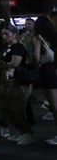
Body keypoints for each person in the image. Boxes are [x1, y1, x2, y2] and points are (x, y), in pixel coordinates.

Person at [0, 25, 38, 145]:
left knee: (17, 108)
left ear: (14, 34)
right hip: (7, 81)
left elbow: (14, 63)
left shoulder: (18, 47)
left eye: (7, 34)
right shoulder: (7, 47)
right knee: (7, 108)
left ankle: (28, 134)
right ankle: (22, 132)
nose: (4, 36)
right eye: (3, 34)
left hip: (18, 81)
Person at [31, 16, 57, 144]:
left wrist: (35, 65)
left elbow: (36, 57)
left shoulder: (37, 38)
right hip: (55, 68)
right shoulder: (53, 36)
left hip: (47, 70)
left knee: (54, 105)